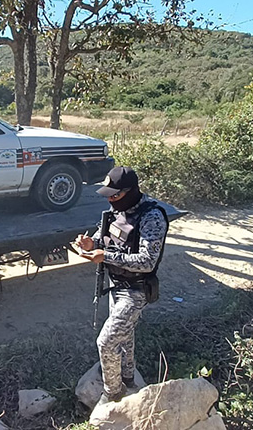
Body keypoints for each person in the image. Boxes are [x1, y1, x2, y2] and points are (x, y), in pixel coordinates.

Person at [75, 166, 169, 406]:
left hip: (136, 289)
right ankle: (128, 377)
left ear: (131, 191)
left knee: (106, 341)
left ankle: (113, 393)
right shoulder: (117, 209)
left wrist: (105, 256)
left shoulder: (151, 217)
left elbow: (147, 262)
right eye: (108, 195)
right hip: (115, 284)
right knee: (124, 335)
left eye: (115, 195)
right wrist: (90, 243)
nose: (110, 200)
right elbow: (103, 238)